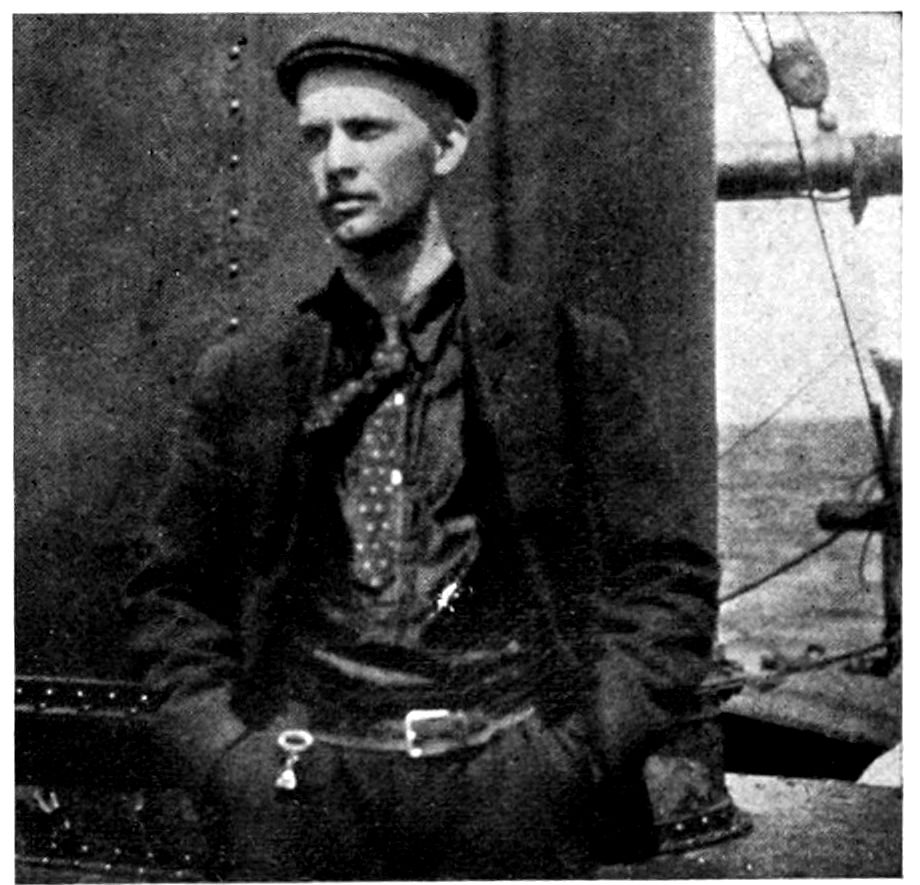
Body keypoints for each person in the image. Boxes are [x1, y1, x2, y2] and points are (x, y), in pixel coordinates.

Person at [124, 14, 719, 881]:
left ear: (446, 146)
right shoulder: (249, 376)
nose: (335, 161)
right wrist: (228, 760)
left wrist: (578, 755)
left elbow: (667, 575)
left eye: (366, 130)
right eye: (315, 137)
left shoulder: (564, 352)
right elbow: (172, 595)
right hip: (302, 800)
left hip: (509, 795)